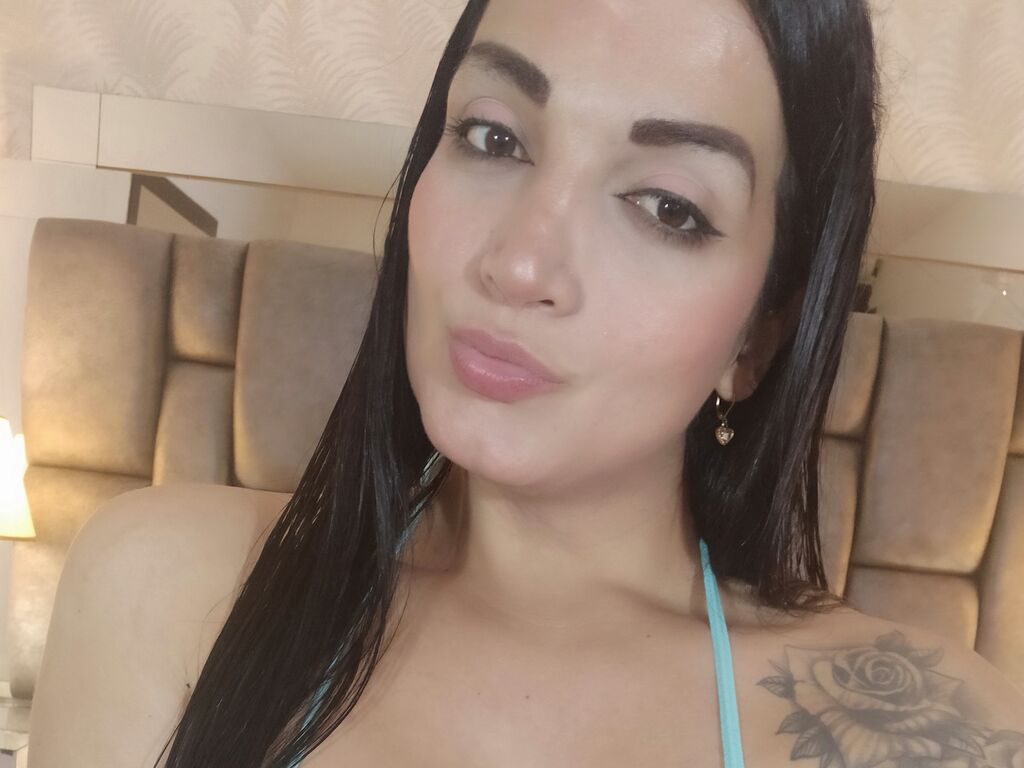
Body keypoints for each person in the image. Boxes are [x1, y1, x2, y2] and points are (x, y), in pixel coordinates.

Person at [28, 0, 1024, 766]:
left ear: (759, 335)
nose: (519, 264)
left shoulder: (929, 733)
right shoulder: (166, 591)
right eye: (493, 137)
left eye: (667, 206)